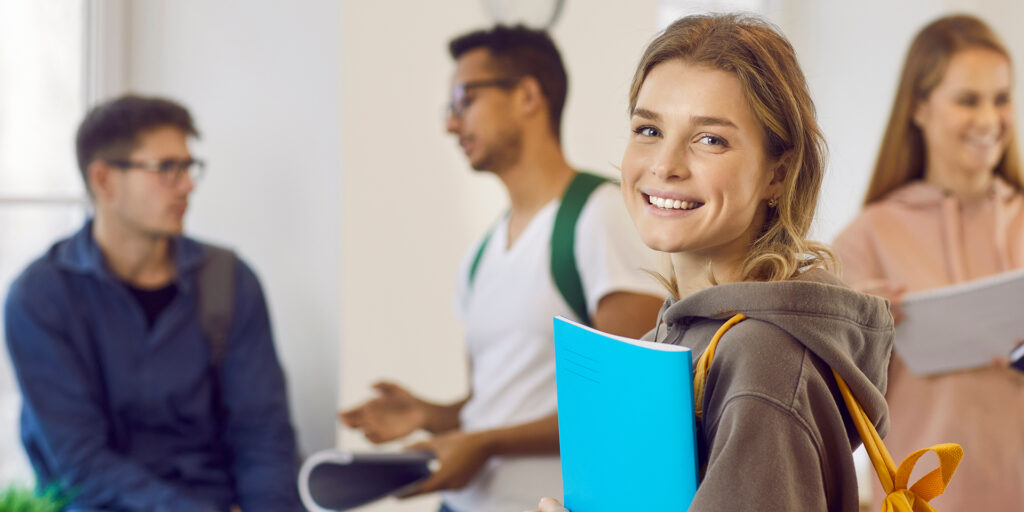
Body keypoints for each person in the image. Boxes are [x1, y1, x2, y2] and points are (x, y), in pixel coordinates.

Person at [529, 13, 894, 511]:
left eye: (710, 139)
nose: (665, 165)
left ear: (778, 174)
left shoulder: (764, 363)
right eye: (648, 129)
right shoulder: (680, 331)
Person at [339, 25, 666, 512]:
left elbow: (625, 399)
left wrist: (486, 443)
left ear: (528, 96)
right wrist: (435, 415)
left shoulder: (599, 214)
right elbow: (498, 404)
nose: (452, 124)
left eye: (462, 99)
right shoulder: (481, 255)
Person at [4, 95, 304, 511]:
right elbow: (82, 464)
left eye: (188, 166)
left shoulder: (230, 280)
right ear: (104, 180)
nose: (187, 185)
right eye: (166, 169)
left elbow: (262, 434)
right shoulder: (40, 298)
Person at [833, 14, 1024, 510]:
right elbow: (830, 402)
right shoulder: (866, 238)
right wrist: (859, 331)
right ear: (918, 106)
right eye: (968, 99)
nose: (989, 119)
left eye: (1002, 98)